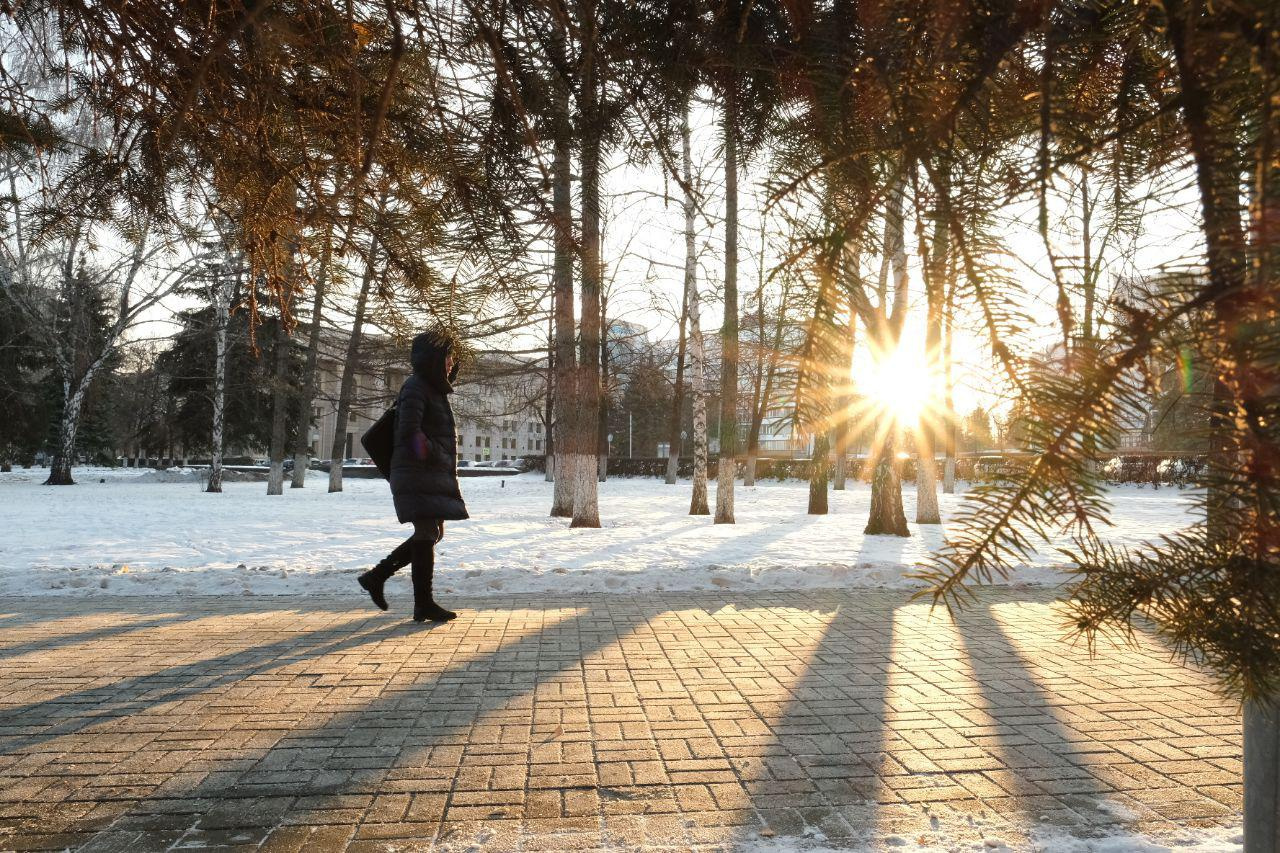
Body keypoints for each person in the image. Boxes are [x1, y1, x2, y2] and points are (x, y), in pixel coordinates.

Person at [358, 329, 468, 621]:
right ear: (433, 358)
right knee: (427, 532)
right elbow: (409, 431)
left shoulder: (430, 388)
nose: (450, 362)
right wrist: (433, 453)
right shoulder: (416, 387)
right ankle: (422, 603)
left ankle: (377, 577)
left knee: (434, 533)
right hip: (418, 473)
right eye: (447, 356)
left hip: (426, 474)